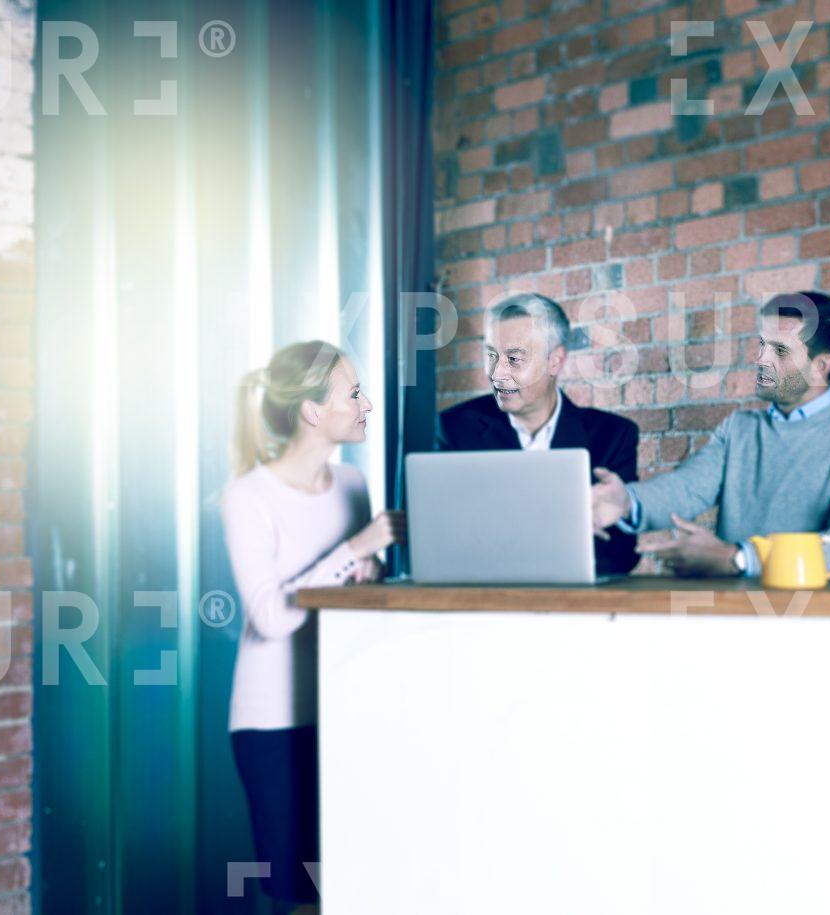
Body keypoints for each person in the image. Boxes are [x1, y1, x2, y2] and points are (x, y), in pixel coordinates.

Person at [221, 341, 406, 914]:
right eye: (352, 394)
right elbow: (271, 616)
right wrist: (355, 548)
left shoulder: (352, 484)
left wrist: (367, 570)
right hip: (272, 723)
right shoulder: (247, 496)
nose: (365, 403)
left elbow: (354, 594)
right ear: (312, 412)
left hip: (345, 709)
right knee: (298, 895)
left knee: (349, 886)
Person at [591, 291, 830, 577]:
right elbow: (686, 488)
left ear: (820, 366)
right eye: (762, 345)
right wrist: (626, 502)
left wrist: (740, 558)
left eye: (779, 350)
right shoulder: (739, 427)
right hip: (733, 614)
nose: (761, 359)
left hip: (815, 622)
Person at [436, 292, 640, 574]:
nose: (497, 374)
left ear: (555, 361)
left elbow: (619, 555)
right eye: (491, 355)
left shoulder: (612, 437)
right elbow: (443, 542)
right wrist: (561, 530)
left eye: (514, 359)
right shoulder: (454, 429)